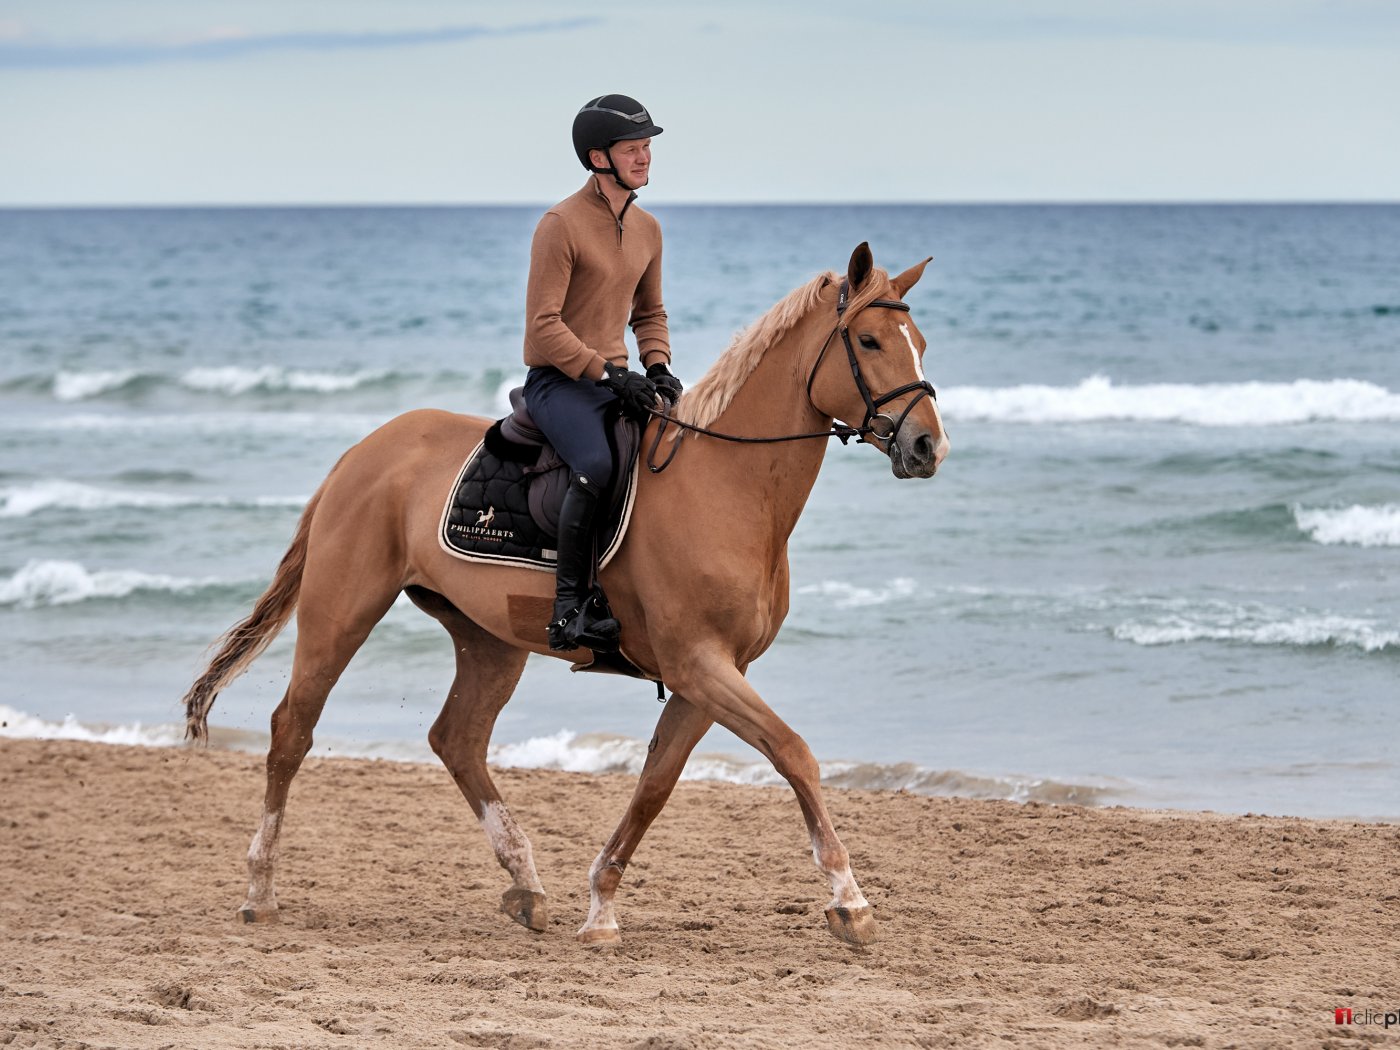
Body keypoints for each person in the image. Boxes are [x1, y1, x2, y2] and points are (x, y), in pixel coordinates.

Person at [522, 94, 684, 653]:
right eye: (632, 150)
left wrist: (658, 365)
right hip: (560, 383)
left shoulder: (649, 229)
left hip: (617, 381)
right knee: (594, 462)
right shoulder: (559, 225)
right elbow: (543, 327)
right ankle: (569, 609)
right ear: (598, 158)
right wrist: (606, 373)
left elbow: (650, 313)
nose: (644, 159)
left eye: (647, 149)